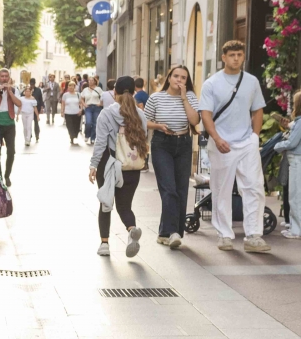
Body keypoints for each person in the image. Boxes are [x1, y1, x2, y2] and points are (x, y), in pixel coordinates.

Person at [200, 40, 271, 253]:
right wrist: (216, 138)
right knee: (221, 189)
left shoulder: (251, 81)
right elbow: (206, 114)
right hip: (221, 143)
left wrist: (255, 137)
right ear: (224, 57)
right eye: (232, 55)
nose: (236, 58)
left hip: (246, 141)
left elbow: (258, 110)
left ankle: (253, 236)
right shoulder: (211, 83)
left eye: (240, 54)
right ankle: (224, 235)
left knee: (254, 187)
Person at [89, 76, 149, 258]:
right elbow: (144, 139)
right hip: (131, 167)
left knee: (106, 203)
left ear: (114, 92)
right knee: (125, 206)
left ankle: (105, 244)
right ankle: (131, 230)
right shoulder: (140, 115)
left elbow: (100, 143)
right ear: (134, 92)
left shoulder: (107, 114)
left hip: (109, 165)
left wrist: (93, 165)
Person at [144, 65, 201, 248]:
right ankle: (173, 232)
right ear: (169, 78)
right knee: (169, 189)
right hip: (162, 144)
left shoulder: (190, 97)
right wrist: (159, 126)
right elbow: (145, 121)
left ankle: (165, 233)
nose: (179, 80)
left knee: (181, 189)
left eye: (183, 78)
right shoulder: (156, 97)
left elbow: (195, 121)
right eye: (176, 76)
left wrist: (184, 98)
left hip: (183, 144)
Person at [275, 90, 301, 238]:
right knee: (296, 195)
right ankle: (294, 225)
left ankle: (296, 231)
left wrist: (277, 146)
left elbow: (292, 142)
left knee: (295, 196)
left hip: (297, 160)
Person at [81, 77, 103, 144]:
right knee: (88, 122)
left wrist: (100, 104)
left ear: (95, 81)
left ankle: (93, 138)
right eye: (89, 80)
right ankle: (87, 135)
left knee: (95, 123)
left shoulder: (98, 89)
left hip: (96, 107)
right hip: (88, 107)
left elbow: (102, 97)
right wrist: (84, 104)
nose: (90, 82)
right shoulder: (85, 90)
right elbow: (81, 98)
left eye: (92, 80)